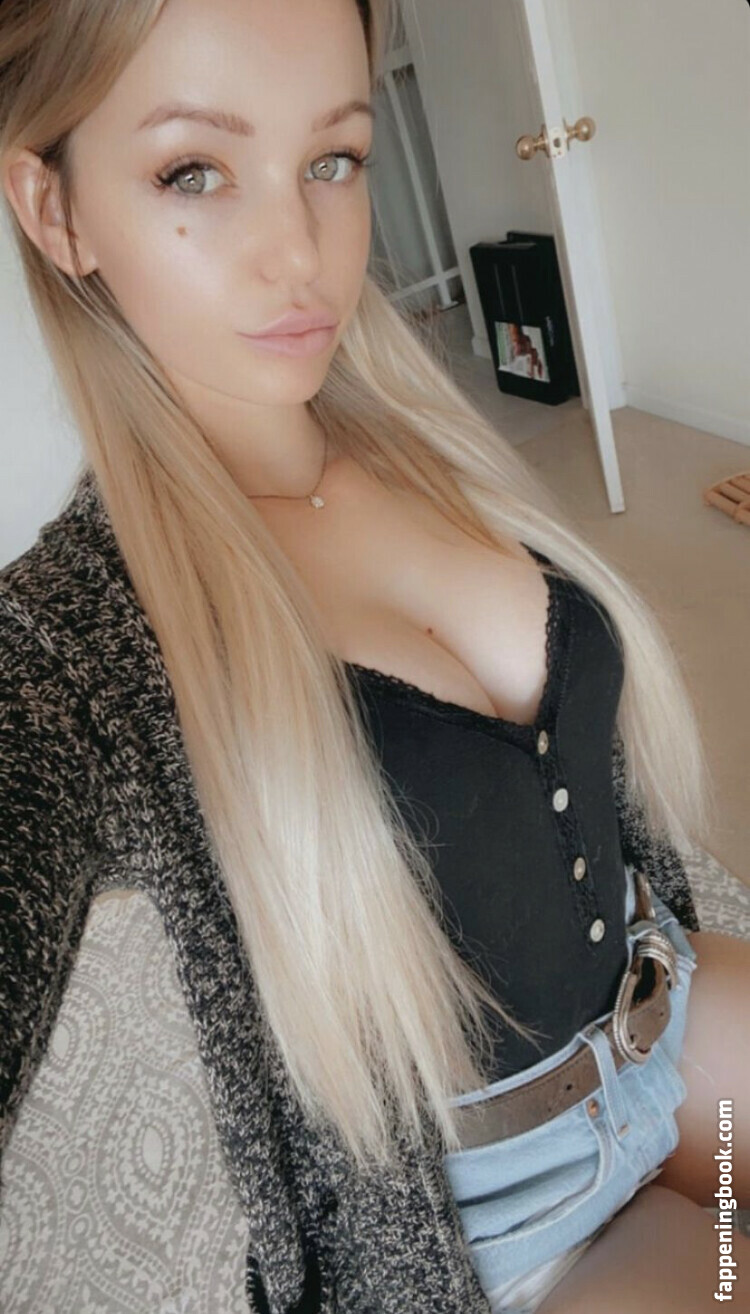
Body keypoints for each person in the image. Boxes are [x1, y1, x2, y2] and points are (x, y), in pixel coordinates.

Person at [0, 1, 748, 1311]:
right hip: (509, 1215)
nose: (300, 252)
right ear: (55, 210)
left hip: (663, 1024)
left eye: (332, 158)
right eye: (194, 171)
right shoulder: (65, 651)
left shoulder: (423, 444)